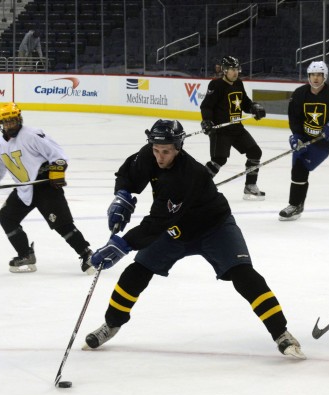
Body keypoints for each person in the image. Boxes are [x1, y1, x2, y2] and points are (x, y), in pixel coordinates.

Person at [81, 119, 306, 360]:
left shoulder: (189, 174)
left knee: (245, 276)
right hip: (174, 229)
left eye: (166, 151)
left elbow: (157, 223)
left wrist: (123, 244)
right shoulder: (151, 152)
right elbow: (128, 174)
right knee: (136, 272)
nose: (159, 156)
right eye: (156, 150)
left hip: (214, 226)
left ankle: (281, 333)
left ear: (178, 147)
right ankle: (111, 325)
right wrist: (122, 195)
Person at [0, 103, 94, 274]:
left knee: (62, 224)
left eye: (12, 121)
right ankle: (25, 254)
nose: (10, 125)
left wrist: (57, 171)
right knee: (7, 217)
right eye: (6, 122)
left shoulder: (32, 135)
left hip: (45, 186)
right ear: (0, 124)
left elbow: (58, 156)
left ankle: (87, 254)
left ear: (19, 119)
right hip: (24, 189)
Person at [279, 61, 329, 221]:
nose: (316, 78)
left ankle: (295, 204)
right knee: (298, 170)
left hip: (322, 142)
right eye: (313, 75)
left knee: (302, 167)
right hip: (304, 138)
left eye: (319, 75)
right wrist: (296, 137)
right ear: (309, 76)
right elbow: (294, 118)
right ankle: (296, 205)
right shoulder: (299, 93)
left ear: (324, 76)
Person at [200, 55, 267, 200]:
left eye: (236, 69)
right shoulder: (216, 85)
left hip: (237, 128)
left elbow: (245, 103)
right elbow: (207, 106)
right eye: (231, 69)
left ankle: (250, 186)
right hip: (221, 130)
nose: (235, 72)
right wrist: (207, 121)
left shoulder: (239, 83)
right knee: (219, 160)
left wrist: (254, 107)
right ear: (224, 70)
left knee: (255, 152)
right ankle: (199, 186)